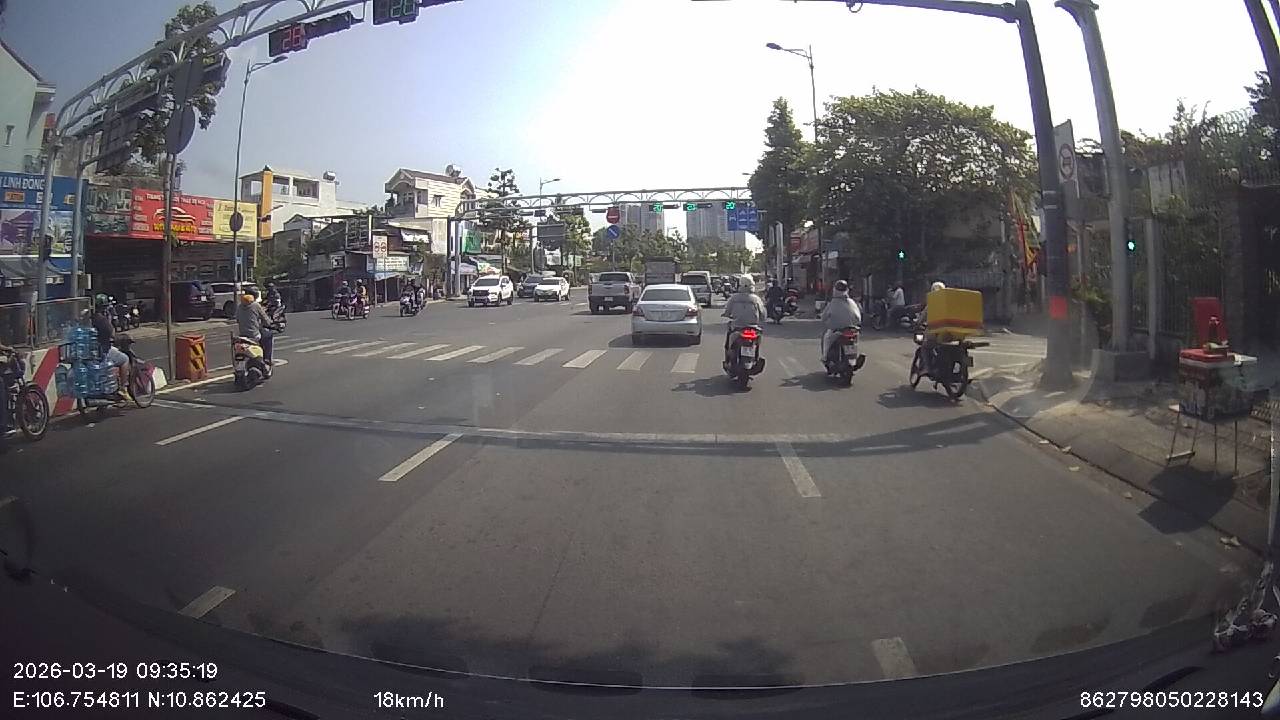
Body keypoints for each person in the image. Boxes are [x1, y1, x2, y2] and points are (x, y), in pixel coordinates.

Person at [92, 294, 130, 396]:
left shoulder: (90, 317)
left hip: (92, 351)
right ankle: (123, 389)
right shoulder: (103, 320)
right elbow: (112, 334)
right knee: (125, 359)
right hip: (102, 351)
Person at [722, 276, 766, 359]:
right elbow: (763, 313)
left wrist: (726, 314)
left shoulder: (734, 298)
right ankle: (757, 356)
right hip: (753, 328)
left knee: (729, 337)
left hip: (737, 326)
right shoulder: (756, 299)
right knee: (758, 339)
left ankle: (728, 358)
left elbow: (727, 311)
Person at [820, 279, 863, 363]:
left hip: (836, 330)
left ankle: (825, 357)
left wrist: (826, 321)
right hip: (852, 329)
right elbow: (858, 317)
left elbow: (824, 317)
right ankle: (854, 358)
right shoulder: (852, 302)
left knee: (826, 338)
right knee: (855, 341)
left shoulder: (833, 302)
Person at [235, 288, 276, 374]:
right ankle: (267, 361)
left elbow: (237, 319)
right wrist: (269, 324)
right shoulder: (256, 305)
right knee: (269, 335)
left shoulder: (239, 306)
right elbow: (267, 321)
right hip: (254, 335)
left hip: (242, 335)